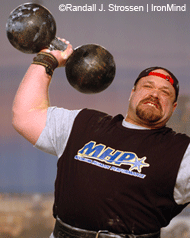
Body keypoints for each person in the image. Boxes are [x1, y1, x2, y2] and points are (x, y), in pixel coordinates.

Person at [12, 38, 190, 238]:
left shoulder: (182, 152)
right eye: (148, 86)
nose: (155, 94)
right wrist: (47, 59)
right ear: (132, 93)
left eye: (165, 92)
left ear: (174, 107)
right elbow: (25, 116)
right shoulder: (83, 123)